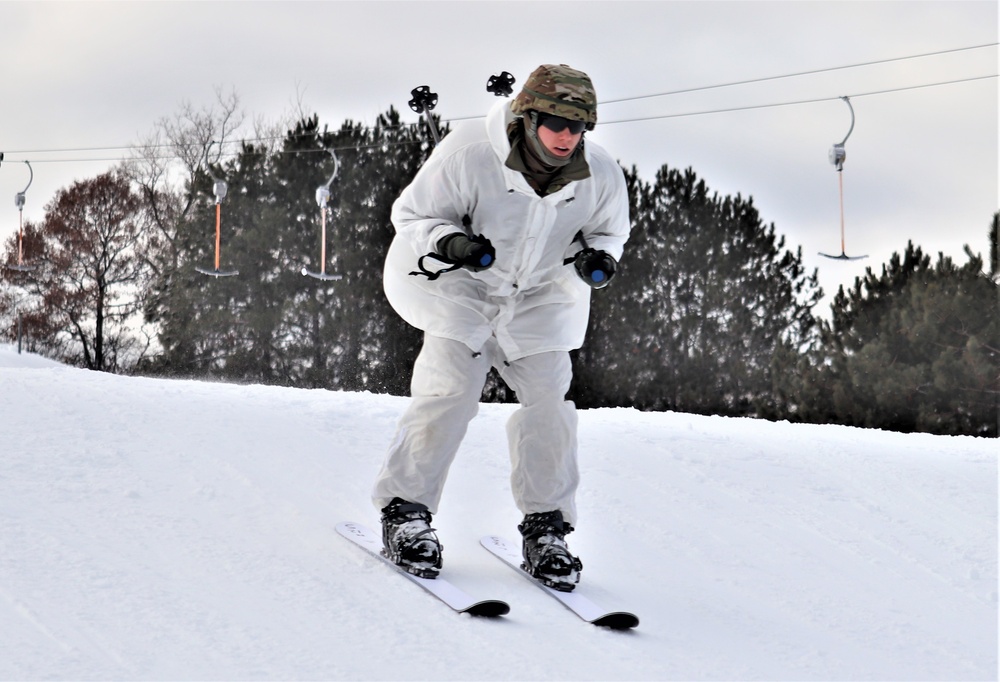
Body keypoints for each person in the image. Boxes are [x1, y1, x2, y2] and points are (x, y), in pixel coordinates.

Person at [372, 64, 631, 592]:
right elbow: (413, 216)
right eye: (555, 123)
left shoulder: (599, 174)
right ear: (527, 116)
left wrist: (596, 256)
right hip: (461, 286)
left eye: (577, 127)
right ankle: (406, 512)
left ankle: (547, 527)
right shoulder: (469, 152)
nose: (566, 137)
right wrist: (451, 243)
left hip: (538, 296)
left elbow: (607, 229)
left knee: (548, 402)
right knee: (452, 390)